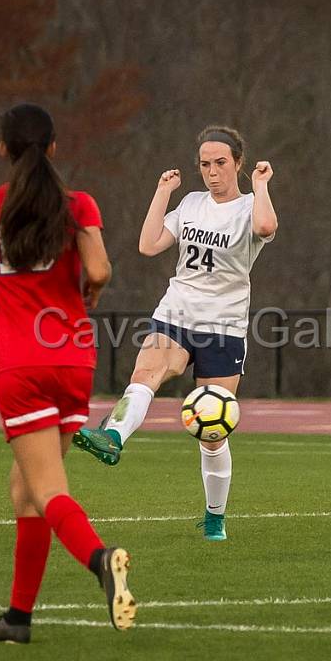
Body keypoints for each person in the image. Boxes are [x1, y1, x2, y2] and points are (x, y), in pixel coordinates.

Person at [0, 103, 136, 643]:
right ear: (54, 148)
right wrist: (88, 285)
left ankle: (100, 559)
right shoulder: (77, 204)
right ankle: (18, 619)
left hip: (20, 361)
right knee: (24, 488)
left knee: (47, 487)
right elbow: (99, 269)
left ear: (3, 150)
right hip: (73, 355)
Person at [74, 125, 277, 542]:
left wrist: (260, 186)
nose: (212, 172)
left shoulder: (249, 208)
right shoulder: (190, 203)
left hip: (223, 328)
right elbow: (149, 245)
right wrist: (162, 192)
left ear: (238, 163)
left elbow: (264, 227)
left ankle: (215, 517)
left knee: (212, 431)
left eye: (221, 163)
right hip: (176, 314)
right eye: (205, 164)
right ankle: (112, 436)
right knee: (145, 373)